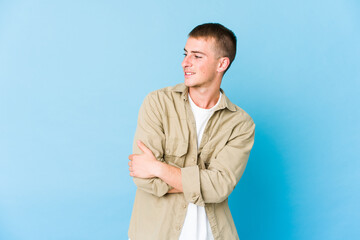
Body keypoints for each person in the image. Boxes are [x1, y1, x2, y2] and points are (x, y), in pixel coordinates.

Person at [128, 23, 255, 240]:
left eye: (197, 56)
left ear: (222, 64)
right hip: (154, 234)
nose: (185, 62)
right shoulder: (158, 103)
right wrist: (204, 183)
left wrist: (157, 167)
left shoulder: (240, 124)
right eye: (186, 54)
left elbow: (220, 187)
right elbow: (144, 179)